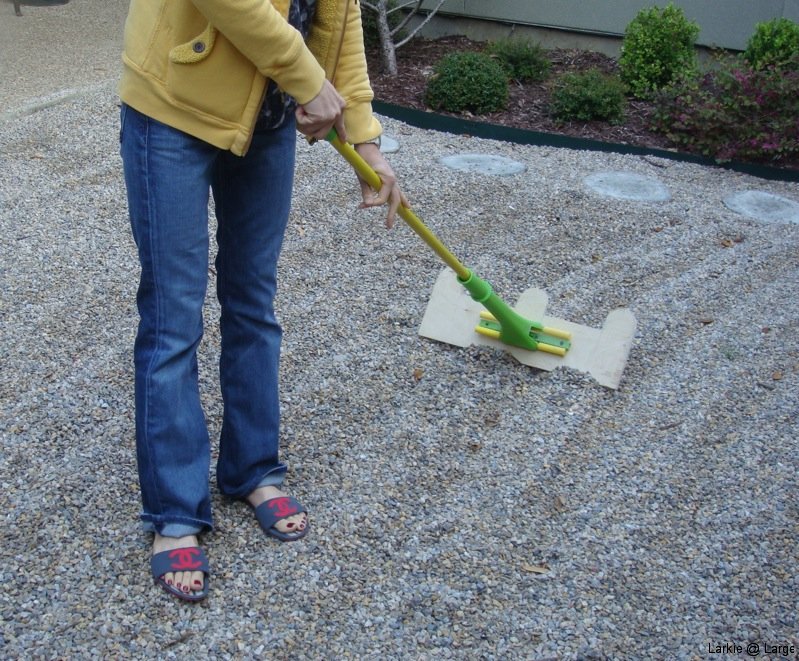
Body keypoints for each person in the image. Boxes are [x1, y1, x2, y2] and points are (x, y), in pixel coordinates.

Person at [119, 0, 407, 602]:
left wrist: (365, 138)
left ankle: (252, 468)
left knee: (254, 303)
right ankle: (175, 511)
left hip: (269, 121)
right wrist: (308, 81)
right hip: (174, 108)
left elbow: (339, 19)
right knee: (173, 319)